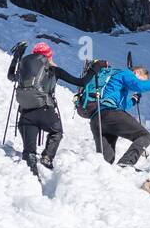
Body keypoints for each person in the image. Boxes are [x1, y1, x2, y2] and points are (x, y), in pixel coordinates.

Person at [8, 41, 102, 176]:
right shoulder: (53, 70)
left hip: (25, 113)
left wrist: (16, 58)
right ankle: (47, 157)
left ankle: (32, 181)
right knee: (56, 132)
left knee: (29, 153)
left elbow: (10, 76)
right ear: (48, 57)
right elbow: (80, 82)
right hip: (46, 111)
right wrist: (95, 68)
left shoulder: (24, 71)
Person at [80, 61, 150, 168]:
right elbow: (139, 86)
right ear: (137, 72)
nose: (137, 81)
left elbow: (121, 105)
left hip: (96, 119)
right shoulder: (125, 73)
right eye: (140, 78)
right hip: (110, 114)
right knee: (144, 136)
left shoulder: (112, 81)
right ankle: (126, 163)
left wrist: (133, 100)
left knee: (105, 162)